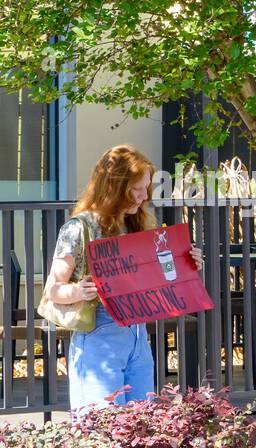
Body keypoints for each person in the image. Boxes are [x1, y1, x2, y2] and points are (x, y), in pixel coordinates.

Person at [46, 145, 203, 411]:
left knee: (139, 430)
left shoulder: (138, 225)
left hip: (138, 335)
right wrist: (79, 291)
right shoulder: (79, 227)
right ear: (114, 187)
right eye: (136, 189)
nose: (143, 197)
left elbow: (155, 279)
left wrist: (186, 263)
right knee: (100, 428)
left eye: (146, 188)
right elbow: (53, 289)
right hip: (98, 333)